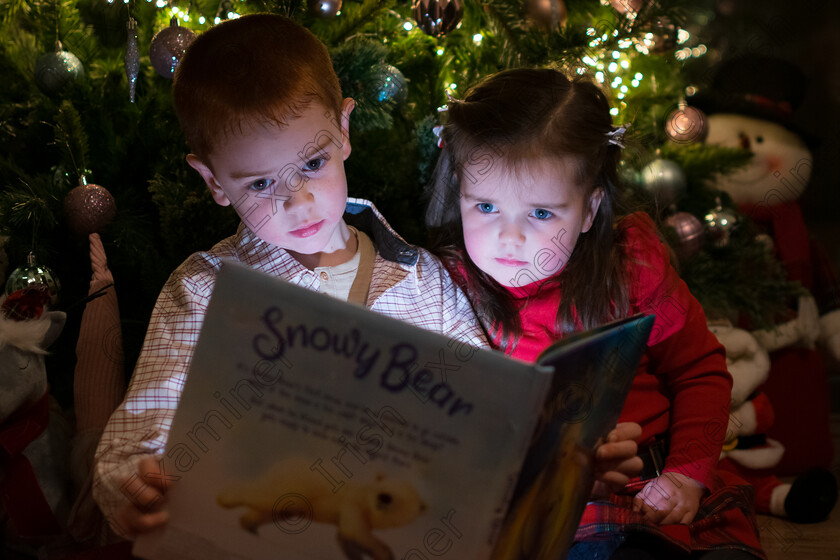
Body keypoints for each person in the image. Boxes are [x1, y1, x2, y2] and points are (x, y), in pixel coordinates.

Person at [92, 16, 640, 542]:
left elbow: (490, 422)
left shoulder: (422, 279)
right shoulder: (204, 290)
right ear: (213, 181)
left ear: (344, 130)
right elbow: (140, 435)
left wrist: (566, 462)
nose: (298, 200)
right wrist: (136, 485)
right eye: (260, 183)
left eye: (312, 165)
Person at [425, 68, 766, 560]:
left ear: (589, 209)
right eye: (485, 207)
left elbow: (700, 371)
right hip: (549, 506)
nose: (510, 238)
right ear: (459, 194)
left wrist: (686, 475)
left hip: (657, 484)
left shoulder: (630, 266)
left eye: (541, 213)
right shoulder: (445, 289)